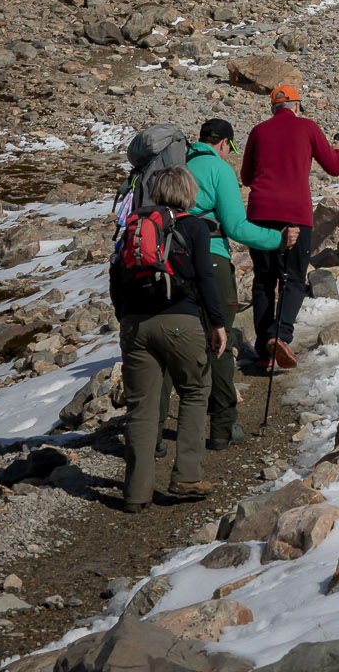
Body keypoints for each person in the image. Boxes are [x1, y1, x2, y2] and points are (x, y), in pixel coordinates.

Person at [109, 164, 225, 511]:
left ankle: (135, 493)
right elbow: (205, 276)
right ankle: (187, 476)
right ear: (188, 193)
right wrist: (217, 323)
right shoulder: (193, 226)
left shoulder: (134, 226)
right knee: (193, 390)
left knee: (141, 408)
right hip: (180, 320)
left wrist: (124, 316)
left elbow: (116, 275)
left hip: (134, 323)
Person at [180, 118, 286, 448]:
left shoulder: (178, 167)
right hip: (210, 260)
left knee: (180, 343)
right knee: (219, 339)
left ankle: (158, 434)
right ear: (224, 143)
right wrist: (276, 239)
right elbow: (236, 228)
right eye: (229, 149)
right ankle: (222, 429)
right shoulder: (218, 169)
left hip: (171, 262)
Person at [239, 80, 339, 370]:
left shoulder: (258, 131)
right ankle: (280, 336)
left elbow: (247, 177)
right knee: (294, 278)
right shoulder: (308, 127)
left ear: (274, 107)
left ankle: (264, 350)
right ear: (297, 106)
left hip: (260, 213)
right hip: (294, 214)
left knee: (263, 280)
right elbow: (335, 168)